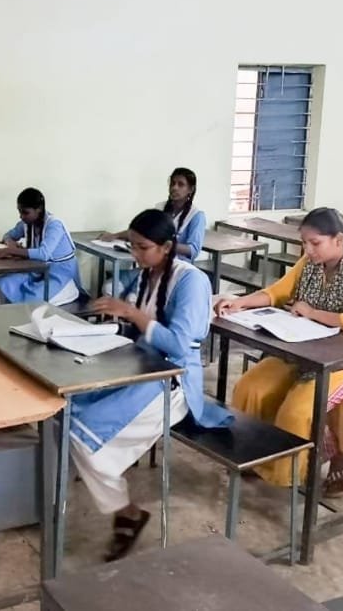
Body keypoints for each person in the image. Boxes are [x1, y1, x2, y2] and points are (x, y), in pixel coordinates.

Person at [72, 209, 232, 562]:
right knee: (67, 412)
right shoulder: (147, 274)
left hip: (173, 380)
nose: (135, 254)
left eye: (142, 248)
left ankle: (127, 512)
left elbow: (178, 344)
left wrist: (132, 314)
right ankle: (110, 498)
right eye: (132, 246)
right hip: (141, 367)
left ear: (167, 246)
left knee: (85, 439)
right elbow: (131, 323)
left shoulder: (191, 282)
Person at [215, 207, 343, 497]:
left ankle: (312, 465)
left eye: (315, 243)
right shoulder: (309, 264)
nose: (308, 249)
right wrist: (240, 302)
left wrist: (314, 313)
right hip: (304, 349)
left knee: (298, 410)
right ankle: (256, 457)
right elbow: (277, 292)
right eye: (304, 243)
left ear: (339, 240)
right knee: (250, 388)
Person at [99, 168, 206, 293]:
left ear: (190, 189)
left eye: (180, 184)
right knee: (109, 288)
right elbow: (140, 232)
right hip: (150, 266)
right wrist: (114, 235)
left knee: (134, 296)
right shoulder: (160, 208)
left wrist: (162, 245)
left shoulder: (196, 216)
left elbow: (193, 250)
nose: (174, 187)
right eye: (172, 183)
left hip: (173, 270)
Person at [0, 187, 82, 305]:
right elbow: (8, 235)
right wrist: (10, 243)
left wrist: (10, 251)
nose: (21, 216)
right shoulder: (27, 223)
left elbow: (43, 254)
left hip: (60, 275)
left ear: (39, 209)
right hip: (38, 271)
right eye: (19, 211)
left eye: (25, 212)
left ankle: (70, 292)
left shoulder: (54, 225)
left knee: (31, 300)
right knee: (3, 282)